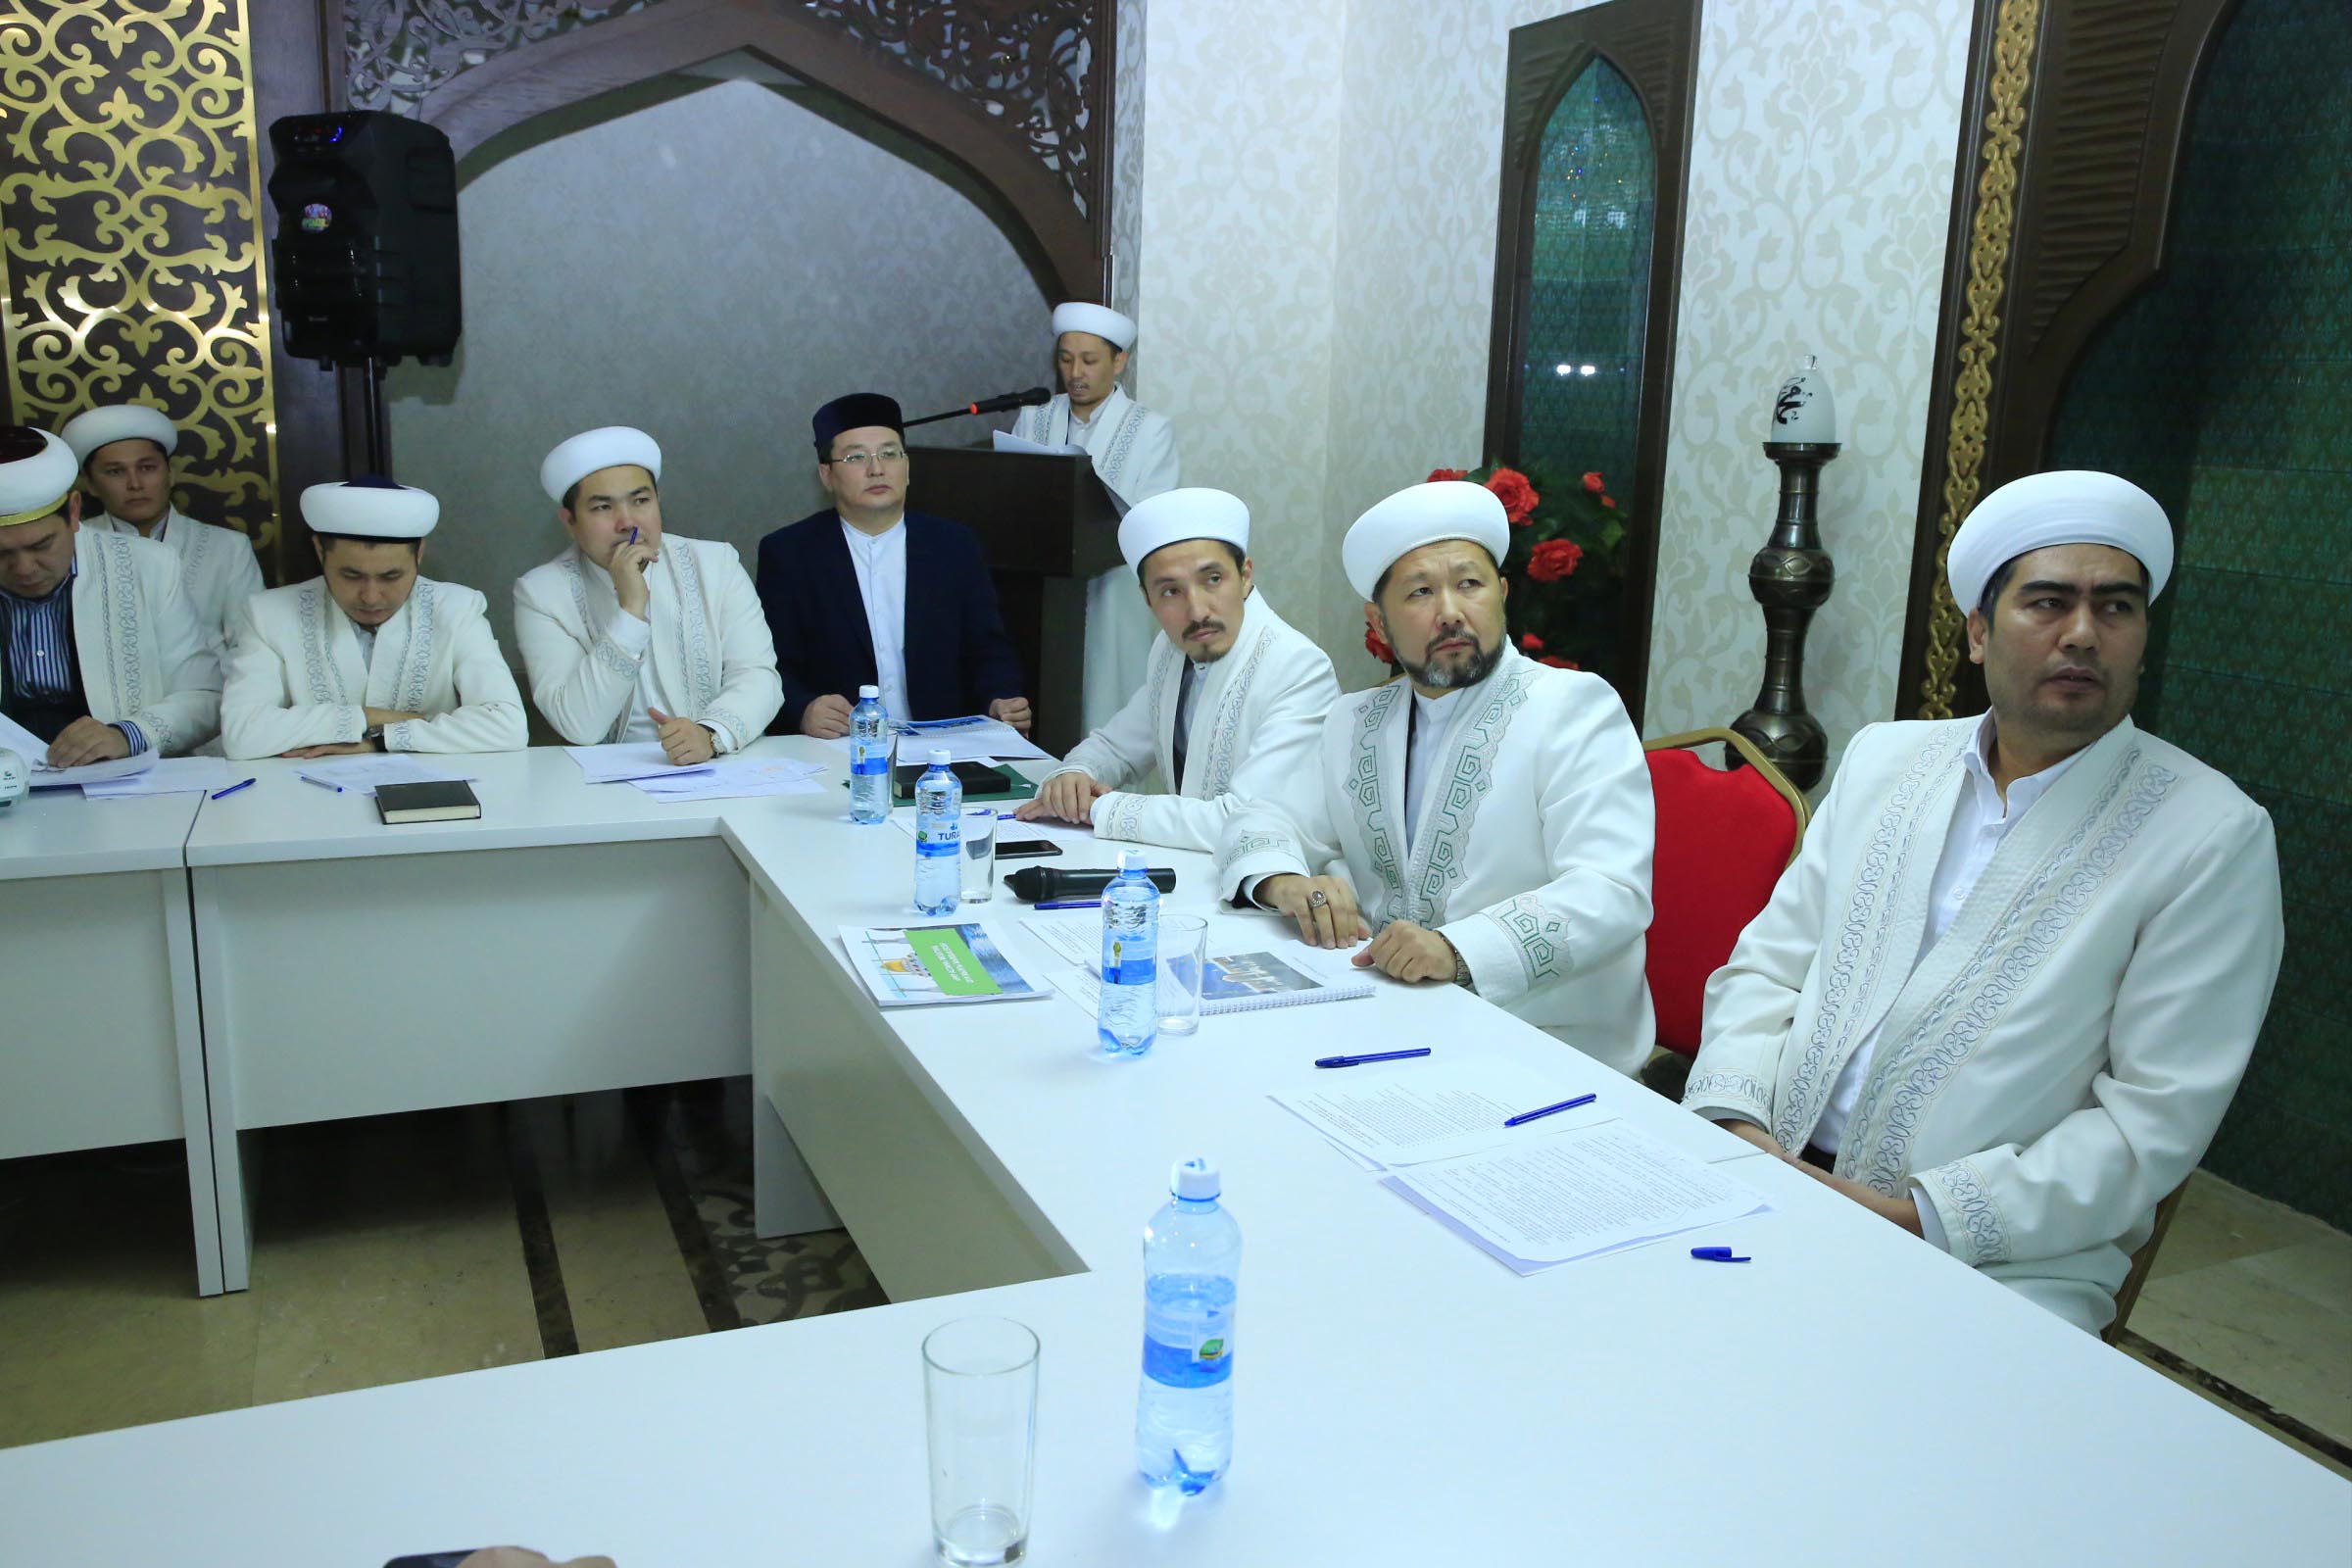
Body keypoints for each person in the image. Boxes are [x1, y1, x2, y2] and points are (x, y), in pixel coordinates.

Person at [1683, 470, 2284, 1335]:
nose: (2083, 633)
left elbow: (2150, 1120)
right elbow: (1768, 969)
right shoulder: (1887, 761)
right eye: (2048, 603)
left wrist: (1916, 1219)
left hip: (2000, 1257)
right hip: (1766, 1166)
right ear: (1977, 631)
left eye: (2116, 608)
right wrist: (1739, 1127)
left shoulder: (2210, 835)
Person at [1217, 479, 1654, 1075]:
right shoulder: (1356, 720)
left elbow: (1612, 889)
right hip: (1386, 1017)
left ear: (1502, 595)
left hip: (1542, 1043)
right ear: (1378, 621)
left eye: (1469, 584)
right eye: (1421, 592)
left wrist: (1459, 949)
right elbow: (1265, 814)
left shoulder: (1574, 708)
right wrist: (1284, 881)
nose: (1450, 611)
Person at [1015, 487, 1338, 852]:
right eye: (1171, 591)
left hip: (1277, 879)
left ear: (1245, 575)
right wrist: (1074, 775)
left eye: (1212, 579)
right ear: (1147, 598)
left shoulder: (1298, 668)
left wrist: (1101, 808)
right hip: (1191, 866)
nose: (1197, 611)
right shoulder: (1171, 650)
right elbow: (1117, 747)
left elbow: (1248, 820)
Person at [757, 393, 1028, 738]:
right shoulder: (789, 553)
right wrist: (803, 709)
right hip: (840, 745)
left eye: (889, 454)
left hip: (940, 743)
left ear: (907, 467)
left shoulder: (953, 545)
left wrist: (1000, 699)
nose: (876, 469)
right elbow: (770, 665)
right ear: (827, 475)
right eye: (856, 457)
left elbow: (988, 650)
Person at [514, 426, 782, 762]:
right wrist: (630, 610)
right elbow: (579, 726)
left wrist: (711, 734)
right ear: (570, 521)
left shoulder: (716, 564)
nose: (627, 522)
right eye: (603, 507)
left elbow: (758, 676)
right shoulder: (541, 593)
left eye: (641, 501)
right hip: (608, 775)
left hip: (721, 761)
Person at [220, 477, 526, 759]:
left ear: (419, 554)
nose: (371, 596)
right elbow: (242, 734)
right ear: (320, 551)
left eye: (391, 576)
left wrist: (379, 740)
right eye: (351, 576)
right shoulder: (269, 614)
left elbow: (507, 725)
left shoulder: (457, 609)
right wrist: (371, 717)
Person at [0, 425, 219, 760]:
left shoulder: (148, 566)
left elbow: (204, 695)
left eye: (42, 545)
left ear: (74, 512)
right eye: (1, 554)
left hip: (119, 775)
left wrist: (129, 734)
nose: (25, 568)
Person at [1009, 303, 1181, 730]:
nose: (1075, 373)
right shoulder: (1033, 418)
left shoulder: (1150, 430)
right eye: (1066, 360)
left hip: (1112, 589)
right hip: (1042, 588)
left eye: (1089, 361)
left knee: (1106, 705)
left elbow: (1154, 519)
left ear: (1119, 362)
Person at [61, 402, 264, 654]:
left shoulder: (228, 547)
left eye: (147, 468)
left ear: (170, 474)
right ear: (90, 485)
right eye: (115, 472)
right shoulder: (71, 548)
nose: (135, 484)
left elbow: (250, 647)